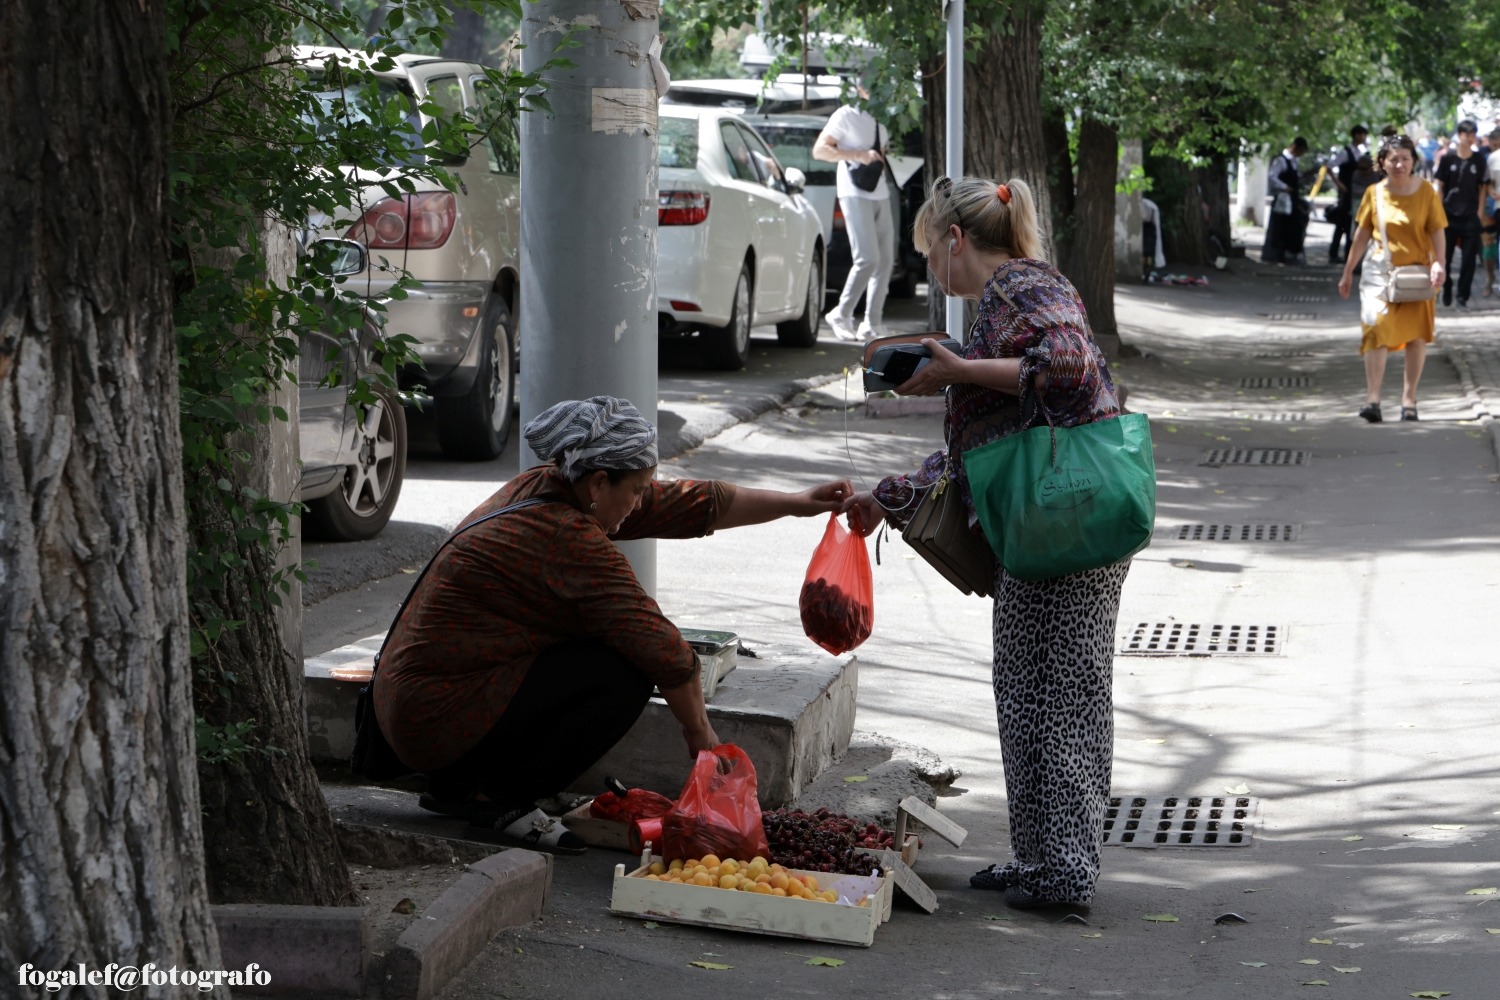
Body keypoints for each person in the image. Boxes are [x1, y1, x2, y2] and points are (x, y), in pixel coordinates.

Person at [372, 395, 852, 852]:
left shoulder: (551, 484)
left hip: (414, 705)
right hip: (430, 720)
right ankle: (501, 801)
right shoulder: (567, 537)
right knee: (625, 671)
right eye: (637, 490)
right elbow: (664, 649)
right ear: (600, 483)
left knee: (597, 646)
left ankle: (460, 786)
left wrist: (797, 501)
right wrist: (701, 737)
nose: (642, 501)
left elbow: (695, 503)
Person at [841, 175, 1128, 913]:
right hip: (1044, 523)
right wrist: (889, 496)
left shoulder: (1023, 287)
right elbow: (985, 448)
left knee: (1063, 696)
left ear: (954, 239)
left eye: (928, 254)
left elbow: (1070, 365)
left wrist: (960, 371)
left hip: (1070, 523)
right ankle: (1039, 858)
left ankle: (1065, 871)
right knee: (1025, 692)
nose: (931, 272)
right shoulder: (1003, 303)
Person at [1337, 134, 1447, 423]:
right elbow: (1360, 235)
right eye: (1393, 159)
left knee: (1416, 337)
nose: (1399, 164)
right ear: (1382, 163)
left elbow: (1437, 230)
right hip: (1378, 273)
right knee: (1375, 330)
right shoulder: (1373, 194)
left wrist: (1440, 264)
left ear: (1413, 162)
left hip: (1417, 273)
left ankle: (1409, 400)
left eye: (1405, 159)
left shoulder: (1426, 192)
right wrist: (1348, 272)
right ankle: (1373, 400)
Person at [814, 72, 894, 342]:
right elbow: (820, 151)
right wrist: (858, 155)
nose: (876, 93)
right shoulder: (845, 115)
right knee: (868, 259)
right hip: (854, 191)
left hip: (879, 191)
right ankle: (841, 313)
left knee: (885, 261)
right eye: (871, 88)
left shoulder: (881, 120)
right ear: (859, 89)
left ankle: (871, 324)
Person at [1433, 120, 1486, 308]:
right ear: (1460, 135)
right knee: (1444, 257)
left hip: (1471, 215)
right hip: (1449, 215)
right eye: (1467, 134)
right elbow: (1440, 185)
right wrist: (1439, 211)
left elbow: (1482, 187)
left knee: (1468, 261)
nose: (1470, 137)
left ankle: (1462, 296)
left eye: (1473, 134)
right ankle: (1446, 289)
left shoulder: (1478, 159)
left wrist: (1479, 212)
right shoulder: (1448, 158)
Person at [1262, 137, 1310, 264]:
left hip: (1292, 199)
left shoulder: (1294, 162)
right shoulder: (1281, 161)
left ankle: (1289, 253)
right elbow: (1272, 177)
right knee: (1279, 227)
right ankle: (1276, 254)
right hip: (1282, 199)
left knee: (1292, 227)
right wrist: (1285, 187)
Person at [1328, 125, 1369, 263]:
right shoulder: (1345, 152)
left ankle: (1348, 254)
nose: (1364, 138)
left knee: (1352, 224)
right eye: (1362, 135)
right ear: (1356, 135)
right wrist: (1340, 186)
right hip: (1347, 194)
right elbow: (1329, 167)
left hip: (1356, 194)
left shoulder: (1361, 152)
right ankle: (1334, 253)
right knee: (1342, 224)